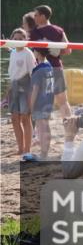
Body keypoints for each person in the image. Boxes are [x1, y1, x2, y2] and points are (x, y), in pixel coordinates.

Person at [29, 5, 72, 119]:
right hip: (57, 67)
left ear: (43, 16)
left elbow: (33, 53)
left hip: (41, 69)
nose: (34, 17)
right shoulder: (59, 30)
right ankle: (70, 124)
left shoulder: (34, 32)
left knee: (41, 100)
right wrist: (56, 52)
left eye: (36, 15)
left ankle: (39, 129)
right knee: (62, 100)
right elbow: (68, 50)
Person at [7, 28, 35, 160]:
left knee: (25, 118)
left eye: (20, 39)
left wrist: (32, 93)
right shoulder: (12, 53)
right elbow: (12, 73)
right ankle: (20, 148)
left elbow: (33, 74)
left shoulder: (28, 53)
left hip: (26, 87)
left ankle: (27, 149)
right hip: (14, 86)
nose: (18, 41)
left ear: (26, 40)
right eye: (15, 39)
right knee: (14, 118)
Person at [27, 46, 55, 160]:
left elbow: (35, 90)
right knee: (46, 127)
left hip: (40, 103)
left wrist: (31, 106)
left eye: (34, 50)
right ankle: (45, 152)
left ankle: (43, 154)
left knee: (41, 128)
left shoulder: (38, 70)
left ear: (37, 52)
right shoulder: (50, 67)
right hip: (48, 101)